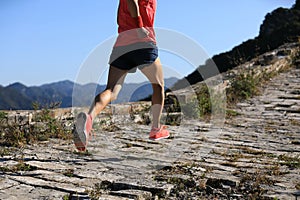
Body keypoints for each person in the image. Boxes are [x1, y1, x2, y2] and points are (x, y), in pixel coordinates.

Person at [73, 0, 169, 152]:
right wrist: (138, 27)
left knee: (111, 91)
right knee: (158, 86)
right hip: (143, 41)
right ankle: (156, 129)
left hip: (122, 45)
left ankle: (88, 120)